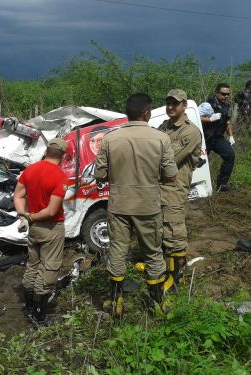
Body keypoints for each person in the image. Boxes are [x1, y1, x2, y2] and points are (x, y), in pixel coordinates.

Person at [94, 93, 178, 316]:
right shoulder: (161, 139)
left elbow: (100, 175)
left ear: (127, 113)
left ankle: (115, 302)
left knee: (118, 251)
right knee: (153, 252)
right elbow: (171, 176)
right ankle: (158, 302)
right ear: (147, 113)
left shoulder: (110, 139)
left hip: (119, 205)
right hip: (148, 205)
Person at [13, 138, 69, 325]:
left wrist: (23, 216)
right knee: (48, 270)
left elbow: (18, 195)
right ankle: (40, 316)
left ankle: (29, 307)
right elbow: (52, 211)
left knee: (32, 266)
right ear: (63, 155)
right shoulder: (60, 177)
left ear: (46, 151)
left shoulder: (30, 170)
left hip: (34, 230)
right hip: (51, 227)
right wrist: (32, 217)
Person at [158, 89, 202, 287]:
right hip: (158, 188)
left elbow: (169, 159)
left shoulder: (189, 131)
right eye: (168, 103)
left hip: (174, 189)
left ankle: (175, 278)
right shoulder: (163, 127)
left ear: (184, 105)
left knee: (174, 231)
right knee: (160, 230)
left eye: (175, 103)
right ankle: (164, 270)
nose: (170, 107)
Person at [200, 83, 235, 192]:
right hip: (206, 139)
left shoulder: (226, 106)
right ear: (216, 93)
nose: (226, 96)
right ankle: (196, 187)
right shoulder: (208, 105)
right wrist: (209, 119)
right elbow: (195, 116)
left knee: (230, 155)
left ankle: (222, 185)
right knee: (199, 162)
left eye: (228, 94)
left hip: (218, 138)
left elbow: (228, 122)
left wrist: (231, 136)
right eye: (223, 94)